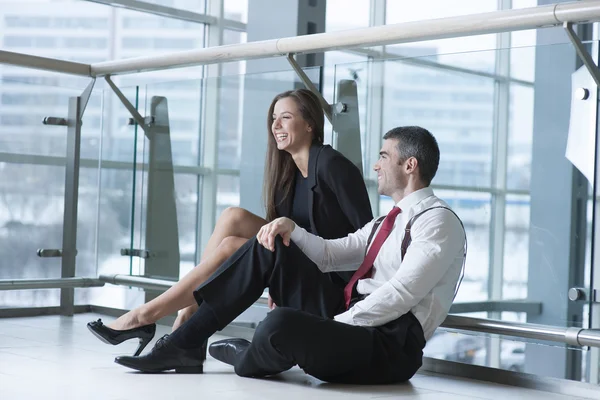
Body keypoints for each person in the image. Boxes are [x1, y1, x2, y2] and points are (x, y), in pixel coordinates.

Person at [113, 125, 467, 384]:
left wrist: (333, 325)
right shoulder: (384, 222)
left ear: (410, 165)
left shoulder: (437, 223)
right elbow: (330, 255)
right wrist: (289, 229)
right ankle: (184, 343)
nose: (375, 166)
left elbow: (401, 294)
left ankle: (246, 356)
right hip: (351, 322)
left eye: (384, 156)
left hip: (386, 346)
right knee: (269, 245)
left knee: (280, 324)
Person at [87, 88, 373, 357]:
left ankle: (145, 316)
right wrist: (278, 278)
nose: (276, 126)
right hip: (299, 266)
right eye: (273, 119)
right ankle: (186, 315)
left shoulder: (332, 165)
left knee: (232, 246)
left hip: (331, 284)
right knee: (232, 217)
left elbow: (372, 238)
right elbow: (276, 237)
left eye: (286, 117)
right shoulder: (288, 173)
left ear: (310, 124)